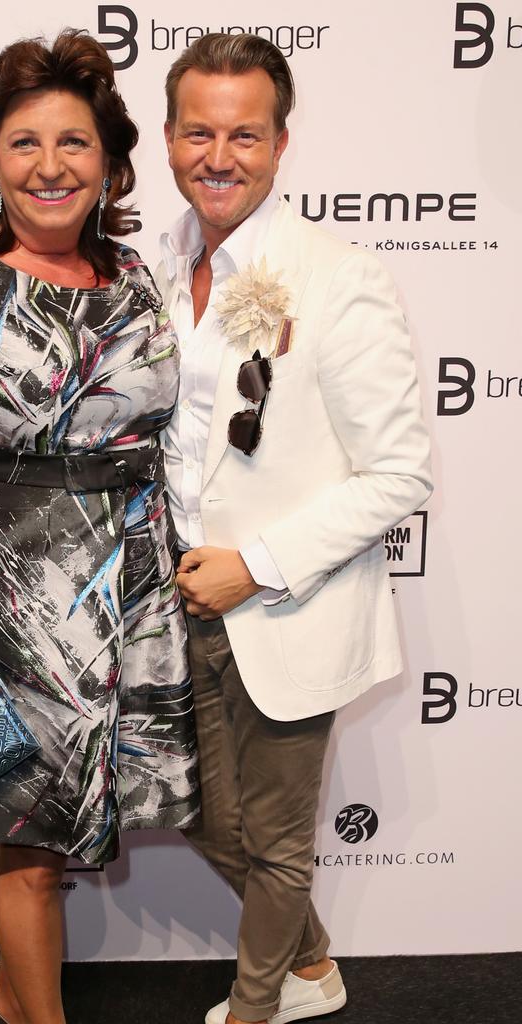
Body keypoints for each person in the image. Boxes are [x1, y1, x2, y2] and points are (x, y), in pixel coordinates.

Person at [0, 31, 198, 1024]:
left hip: (131, 593)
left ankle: (8, 1008)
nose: (51, 167)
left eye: (74, 143)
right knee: (26, 835)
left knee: (63, 836)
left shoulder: (139, 278)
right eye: (24, 143)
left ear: (108, 162)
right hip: (8, 594)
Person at [155, 33, 433, 1024]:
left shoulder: (337, 275)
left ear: (280, 141)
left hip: (287, 600)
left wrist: (258, 565)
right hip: (173, 602)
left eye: (243, 133)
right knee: (192, 813)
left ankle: (263, 1001)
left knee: (275, 839)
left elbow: (400, 472)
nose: (217, 156)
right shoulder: (158, 264)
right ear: (169, 135)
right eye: (198, 131)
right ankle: (313, 958)